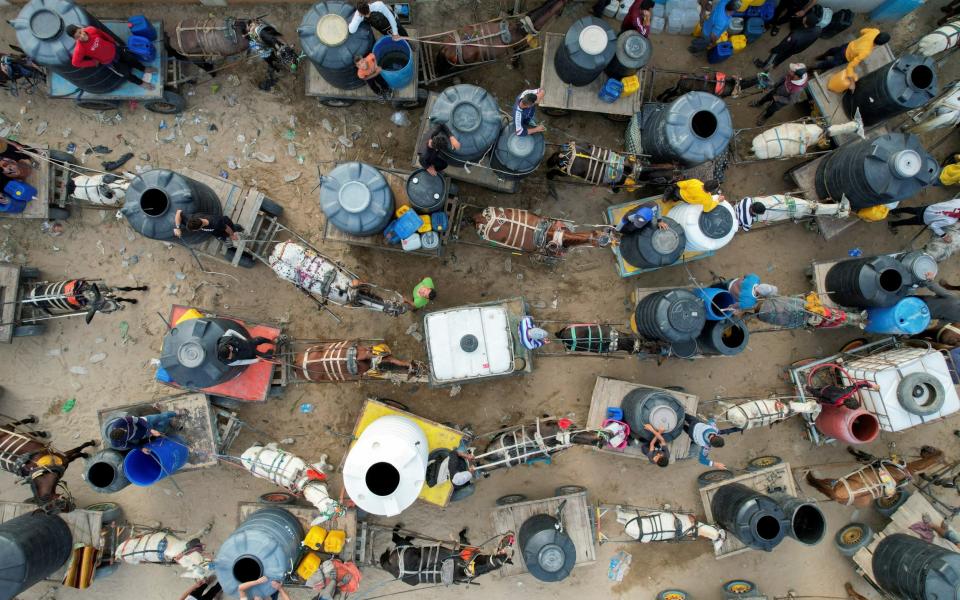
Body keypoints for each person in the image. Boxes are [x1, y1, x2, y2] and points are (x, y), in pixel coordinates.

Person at [65, 24, 155, 90]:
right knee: (126, 73)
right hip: (110, 62)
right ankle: (141, 83)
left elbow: (103, 34)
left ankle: (143, 68)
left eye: (80, 32)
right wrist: (93, 62)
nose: (82, 36)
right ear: (75, 39)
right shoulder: (79, 49)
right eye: (78, 36)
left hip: (116, 50)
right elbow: (75, 63)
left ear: (81, 28)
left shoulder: (91, 29)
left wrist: (113, 42)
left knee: (131, 59)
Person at [817, 30, 890, 92]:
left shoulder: (875, 31)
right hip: (845, 56)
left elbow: (862, 30)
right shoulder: (866, 52)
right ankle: (816, 67)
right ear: (879, 44)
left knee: (834, 50)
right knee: (832, 63)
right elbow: (850, 66)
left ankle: (822, 56)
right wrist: (852, 82)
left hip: (848, 46)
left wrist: (863, 39)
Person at [754, 21, 822, 71]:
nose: (804, 18)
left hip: (787, 47)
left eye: (805, 18)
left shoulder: (795, 36)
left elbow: (783, 46)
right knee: (783, 57)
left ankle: (764, 66)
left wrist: (774, 50)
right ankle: (775, 65)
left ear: (806, 23)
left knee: (774, 56)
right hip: (796, 49)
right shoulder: (818, 30)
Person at [888, 198, 960, 242]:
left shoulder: (958, 202)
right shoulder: (951, 220)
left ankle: (892, 211)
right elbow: (934, 225)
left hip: (928, 208)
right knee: (908, 221)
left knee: (911, 209)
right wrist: (944, 235)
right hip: (924, 219)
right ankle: (892, 224)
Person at [104, 410, 179, 451]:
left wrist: (150, 430)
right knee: (162, 429)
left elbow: (138, 420)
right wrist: (141, 448)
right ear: (119, 439)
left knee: (161, 416)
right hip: (144, 434)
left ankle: (176, 413)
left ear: (117, 428)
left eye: (124, 429)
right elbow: (129, 445)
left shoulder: (119, 422)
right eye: (125, 433)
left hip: (145, 422)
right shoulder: (116, 443)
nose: (126, 431)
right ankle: (170, 421)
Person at [174, 210, 244, 242]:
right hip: (215, 231)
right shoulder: (193, 218)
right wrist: (177, 227)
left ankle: (239, 228)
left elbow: (227, 228)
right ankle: (224, 237)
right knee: (222, 237)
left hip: (225, 225)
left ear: (200, 227)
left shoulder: (216, 223)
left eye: (195, 230)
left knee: (233, 229)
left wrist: (232, 235)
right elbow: (178, 212)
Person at [806, 378, 878, 409]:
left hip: (828, 386)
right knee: (817, 395)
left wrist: (872, 386)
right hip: (821, 392)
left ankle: (808, 388)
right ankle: (807, 388)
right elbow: (823, 401)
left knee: (819, 393)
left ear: (852, 398)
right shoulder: (835, 402)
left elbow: (859, 384)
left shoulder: (848, 391)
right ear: (847, 406)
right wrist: (818, 401)